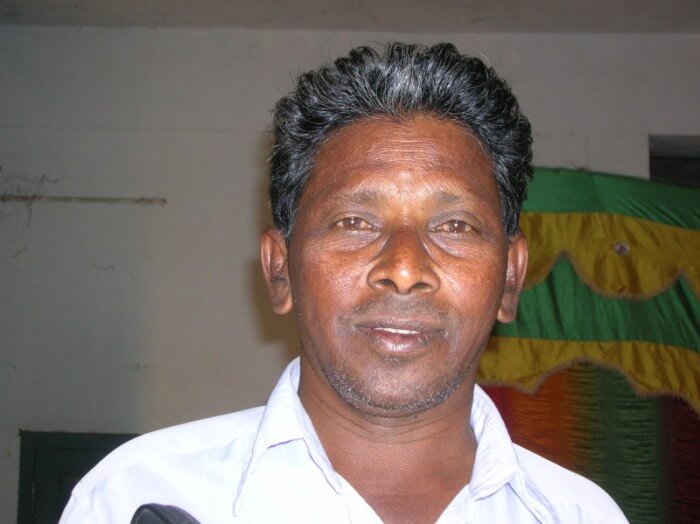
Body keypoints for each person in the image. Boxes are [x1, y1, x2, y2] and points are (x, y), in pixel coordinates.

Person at [61, 42, 628, 523]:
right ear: (279, 270)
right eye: (354, 222)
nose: (404, 269)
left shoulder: (582, 515)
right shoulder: (133, 496)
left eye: (454, 226)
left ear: (510, 278)